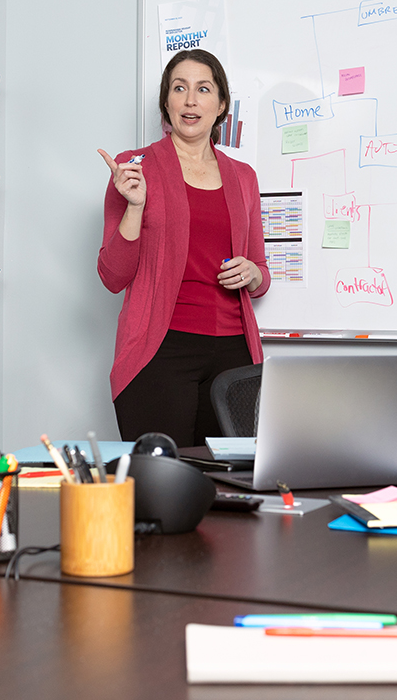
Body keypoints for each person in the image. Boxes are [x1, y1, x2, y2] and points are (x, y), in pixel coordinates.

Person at [97, 49, 270, 447]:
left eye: (203, 89)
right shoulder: (133, 168)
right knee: (162, 486)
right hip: (159, 352)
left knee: (230, 488)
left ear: (221, 104)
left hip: (234, 356)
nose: (191, 100)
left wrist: (253, 273)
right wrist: (135, 207)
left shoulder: (243, 177)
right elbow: (112, 275)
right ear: (166, 102)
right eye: (179, 88)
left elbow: (260, 275)